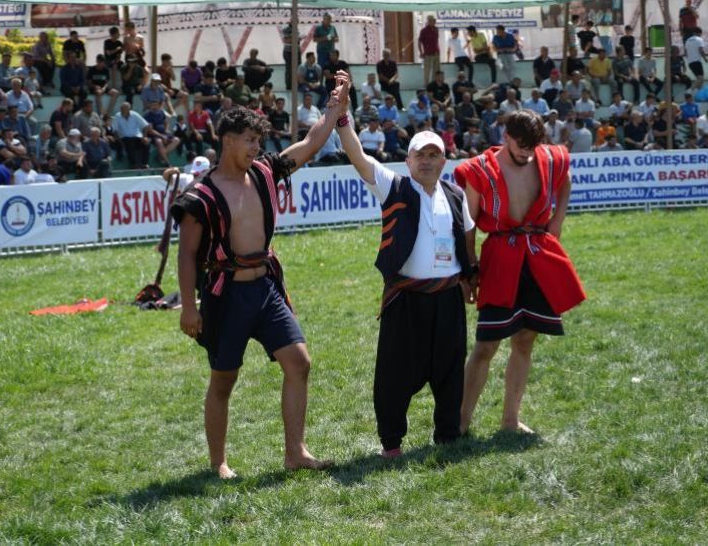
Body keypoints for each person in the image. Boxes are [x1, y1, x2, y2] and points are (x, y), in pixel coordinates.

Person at [170, 74, 350, 478]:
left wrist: (336, 107)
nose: (256, 147)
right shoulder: (200, 197)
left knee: (299, 362)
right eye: (249, 139)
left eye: (258, 140)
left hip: (266, 290)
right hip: (225, 296)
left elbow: (311, 143)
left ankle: (295, 452)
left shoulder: (266, 172)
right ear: (228, 140)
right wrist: (188, 307)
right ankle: (218, 463)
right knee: (224, 380)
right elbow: (185, 255)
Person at [335, 77, 475, 458]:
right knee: (394, 375)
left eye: (434, 155)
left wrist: (468, 276)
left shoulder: (455, 195)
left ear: (444, 161)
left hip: (447, 298)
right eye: (420, 155)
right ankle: (392, 443)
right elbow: (359, 158)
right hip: (406, 299)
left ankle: (448, 435)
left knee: (450, 372)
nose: (427, 161)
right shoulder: (394, 187)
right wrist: (343, 118)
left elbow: (467, 237)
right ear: (408, 160)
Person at [454, 109, 586, 436]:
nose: (527, 154)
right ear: (506, 137)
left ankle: (510, 420)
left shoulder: (549, 159)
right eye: (521, 146)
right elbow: (467, 226)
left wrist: (557, 222)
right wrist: (469, 269)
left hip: (537, 254)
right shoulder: (479, 170)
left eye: (533, 147)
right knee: (486, 344)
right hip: (499, 257)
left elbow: (565, 177)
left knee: (525, 340)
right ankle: (459, 422)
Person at [419, 15, 441, 86]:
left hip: (436, 53)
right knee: (427, 71)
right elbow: (419, 42)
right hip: (428, 53)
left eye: (434, 20)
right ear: (428, 21)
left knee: (436, 71)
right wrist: (421, 52)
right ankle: (427, 86)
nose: (434, 21)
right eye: (432, 20)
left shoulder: (436, 29)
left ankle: (434, 85)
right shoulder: (424, 30)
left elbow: (436, 41)